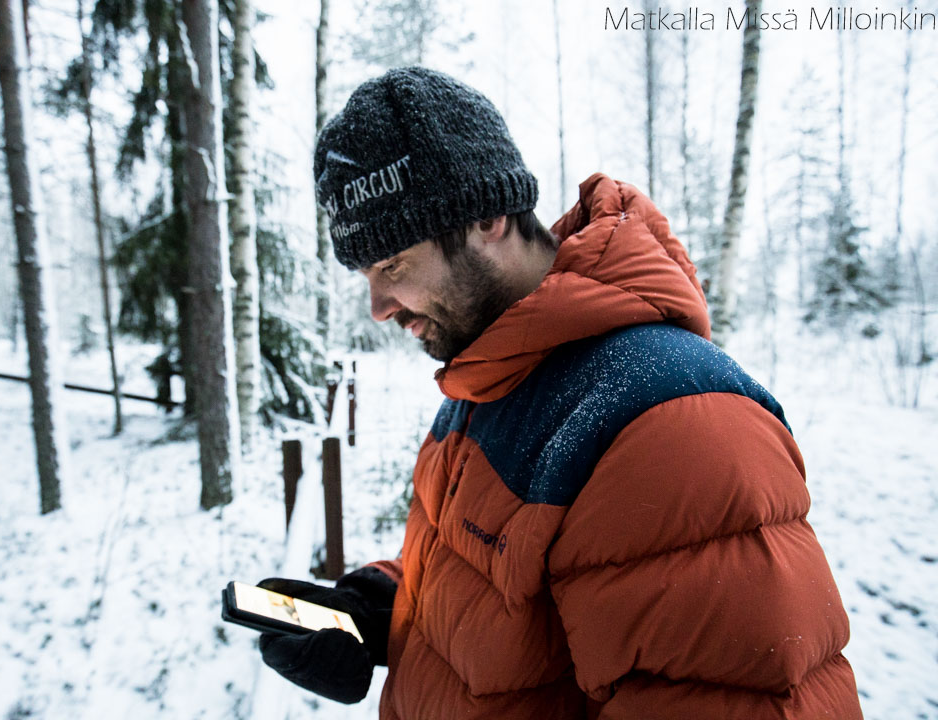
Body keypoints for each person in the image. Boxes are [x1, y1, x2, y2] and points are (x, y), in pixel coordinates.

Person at [256, 67, 863, 719]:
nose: (377, 306)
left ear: (484, 218)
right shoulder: (490, 374)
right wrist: (382, 607)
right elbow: (498, 585)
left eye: (391, 266)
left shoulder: (670, 429)